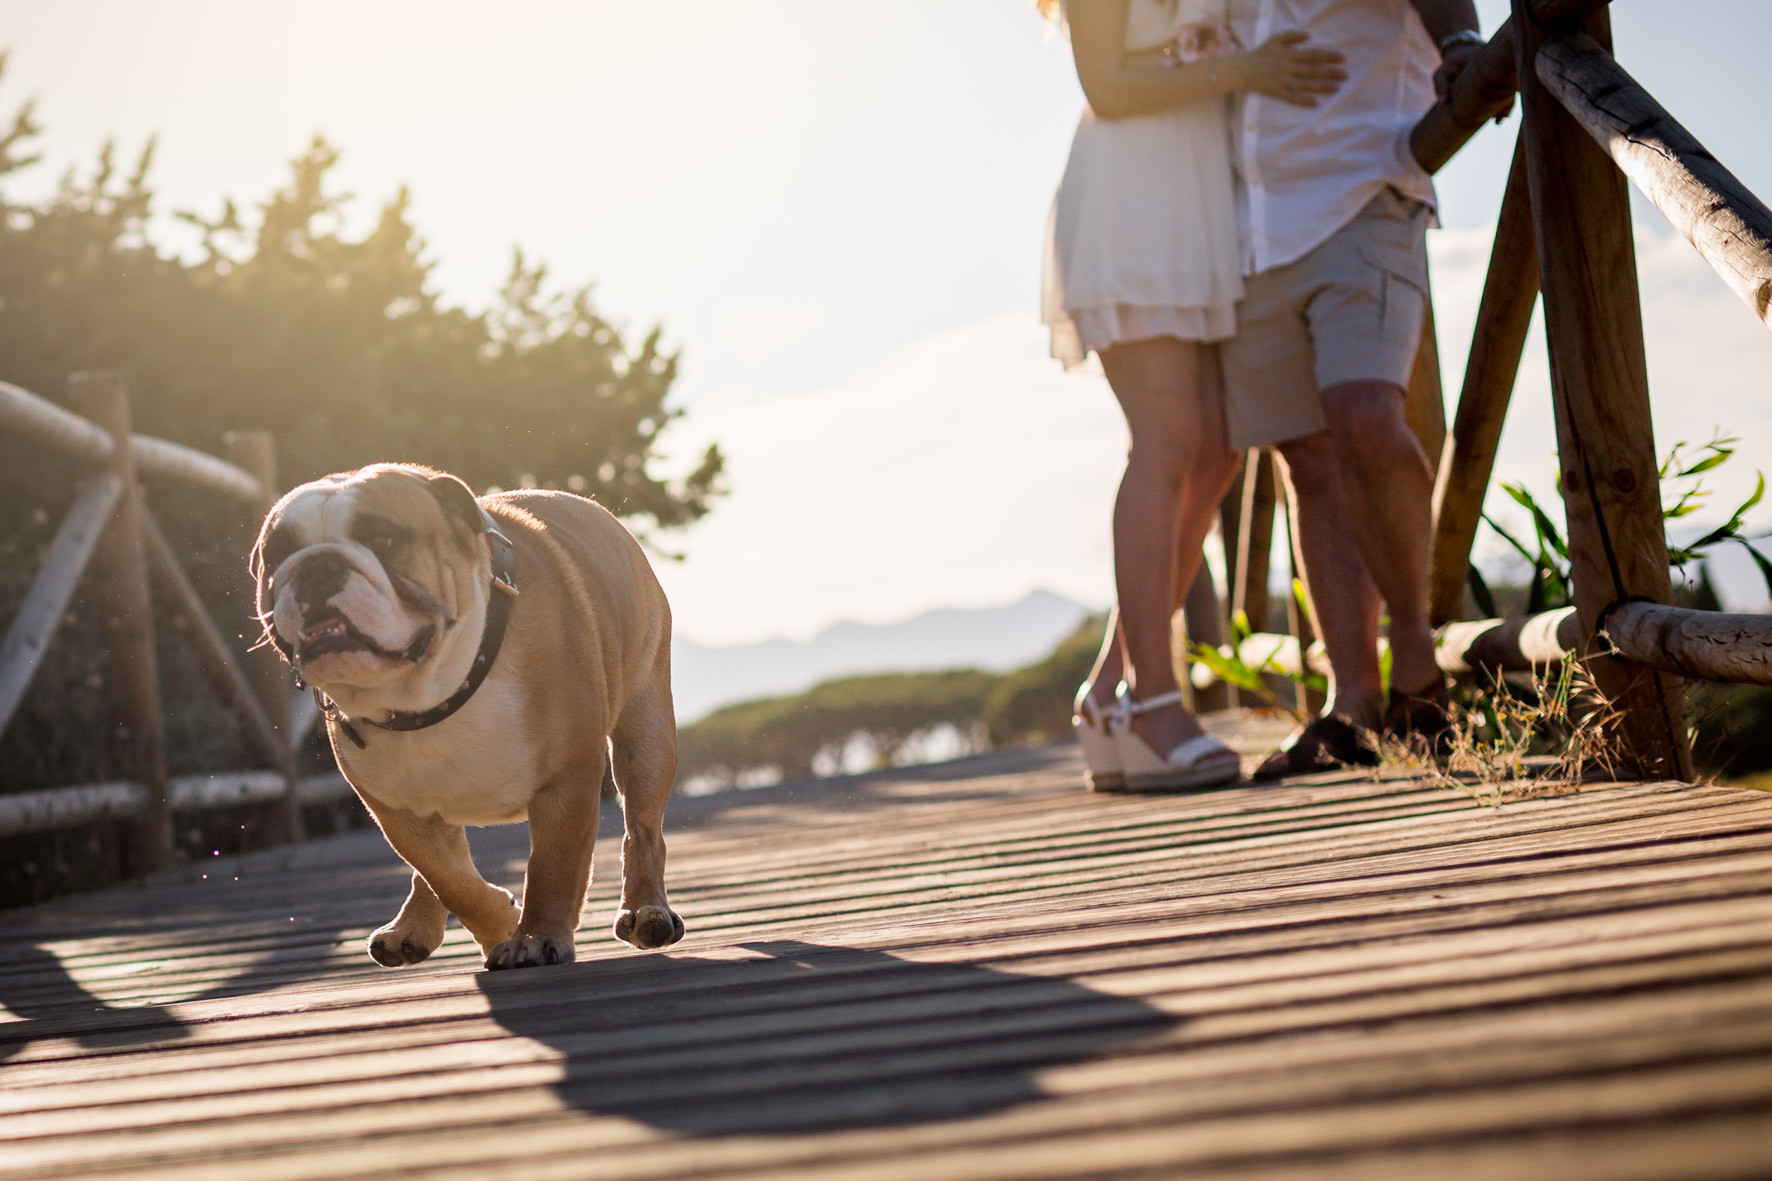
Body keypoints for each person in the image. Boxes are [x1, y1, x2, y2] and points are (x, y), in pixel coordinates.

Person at [1041, 0, 1346, 791]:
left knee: (1215, 455)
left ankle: (1108, 688)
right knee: (1168, 441)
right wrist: (1244, 69)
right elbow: (1106, 84)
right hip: (1134, 201)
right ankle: (1152, 700)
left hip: (1203, 205)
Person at [1213, 0, 1485, 780]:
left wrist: (1460, 41)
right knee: (1306, 457)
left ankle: (1419, 671)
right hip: (1255, 224)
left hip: (1365, 184)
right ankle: (1352, 704)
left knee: (1365, 412)